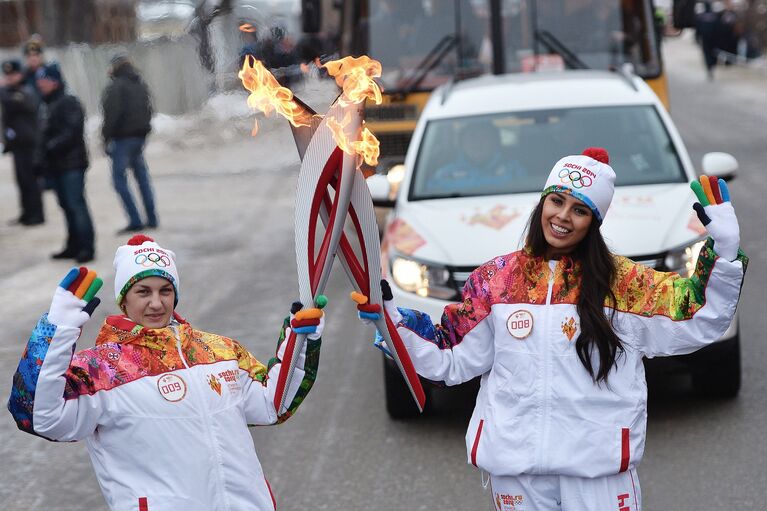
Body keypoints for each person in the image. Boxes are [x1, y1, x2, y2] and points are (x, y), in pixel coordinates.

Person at [358, 148, 747, 510]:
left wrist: (724, 252)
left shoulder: (621, 285)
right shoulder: (497, 280)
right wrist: (394, 321)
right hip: (516, 467)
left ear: (594, 221)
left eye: (580, 209)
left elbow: (698, 316)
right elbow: (450, 356)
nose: (562, 217)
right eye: (557, 200)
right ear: (542, 201)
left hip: (597, 471)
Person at [8, 234, 326, 510]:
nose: (157, 303)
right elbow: (38, 415)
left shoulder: (218, 350)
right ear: (124, 300)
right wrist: (57, 328)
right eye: (143, 292)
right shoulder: (101, 369)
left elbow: (273, 404)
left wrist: (301, 342)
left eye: (165, 291)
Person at [35, 63, 95, 263]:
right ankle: (73, 244)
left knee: (76, 205)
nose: (40, 84)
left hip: (71, 164)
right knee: (66, 206)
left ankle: (86, 247)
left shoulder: (68, 101)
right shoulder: (47, 103)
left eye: (44, 80)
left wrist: (50, 146)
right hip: (56, 166)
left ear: (55, 81)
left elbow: (71, 132)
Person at [101, 53, 158, 234]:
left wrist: (105, 137)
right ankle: (152, 218)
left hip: (122, 139)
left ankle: (135, 220)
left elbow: (111, 116)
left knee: (119, 181)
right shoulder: (139, 84)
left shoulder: (116, 87)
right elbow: (149, 109)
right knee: (142, 178)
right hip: (139, 137)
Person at [424, 121, 524, 196]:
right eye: (472, 137)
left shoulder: (513, 170)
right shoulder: (444, 175)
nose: (477, 143)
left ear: (495, 142)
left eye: (484, 137)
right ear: (461, 143)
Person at [1, 59, 44, 226]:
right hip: (18, 144)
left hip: (29, 143)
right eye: (7, 75)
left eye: (13, 75)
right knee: (22, 180)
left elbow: (12, 101)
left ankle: (36, 215)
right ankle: (27, 213)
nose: (10, 78)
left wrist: (3, 88)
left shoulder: (26, 91)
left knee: (30, 180)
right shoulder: (11, 91)